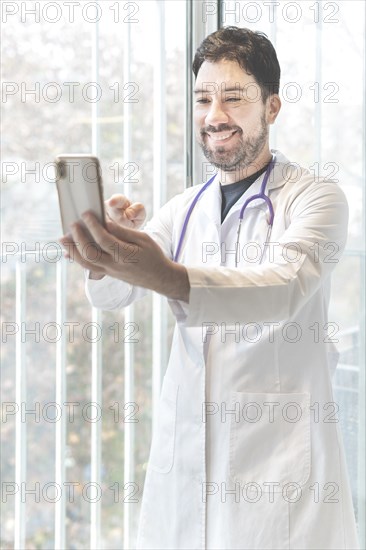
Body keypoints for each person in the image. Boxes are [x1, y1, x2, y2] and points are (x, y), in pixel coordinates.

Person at [60, 26, 359, 550]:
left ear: (272, 107)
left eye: (233, 97)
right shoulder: (185, 208)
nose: (214, 115)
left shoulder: (317, 200)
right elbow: (112, 296)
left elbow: (281, 289)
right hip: (186, 475)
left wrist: (168, 276)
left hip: (278, 482)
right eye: (203, 99)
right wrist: (103, 253)